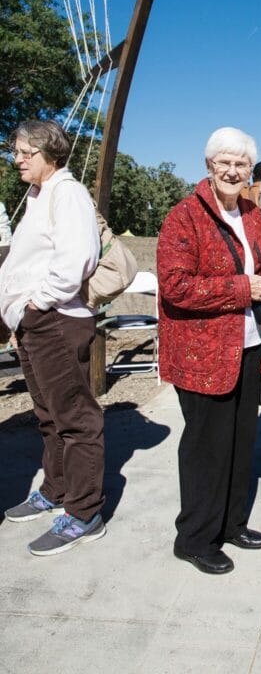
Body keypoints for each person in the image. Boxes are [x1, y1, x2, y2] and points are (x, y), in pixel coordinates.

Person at [158, 126, 261, 575]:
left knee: (241, 443)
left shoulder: (251, 213)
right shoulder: (184, 216)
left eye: (241, 163)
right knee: (207, 447)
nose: (232, 170)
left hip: (246, 347)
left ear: (250, 169)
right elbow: (175, 286)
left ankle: (229, 524)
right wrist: (242, 288)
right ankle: (194, 537)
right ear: (208, 165)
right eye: (223, 162)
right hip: (201, 354)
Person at [0, 120, 104, 555]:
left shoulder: (67, 192)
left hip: (54, 320)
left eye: (26, 152)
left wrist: (38, 304)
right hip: (33, 323)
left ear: (50, 153)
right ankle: (55, 490)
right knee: (48, 415)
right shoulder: (39, 194)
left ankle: (84, 513)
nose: (17, 159)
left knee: (76, 419)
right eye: (16, 151)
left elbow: (78, 256)